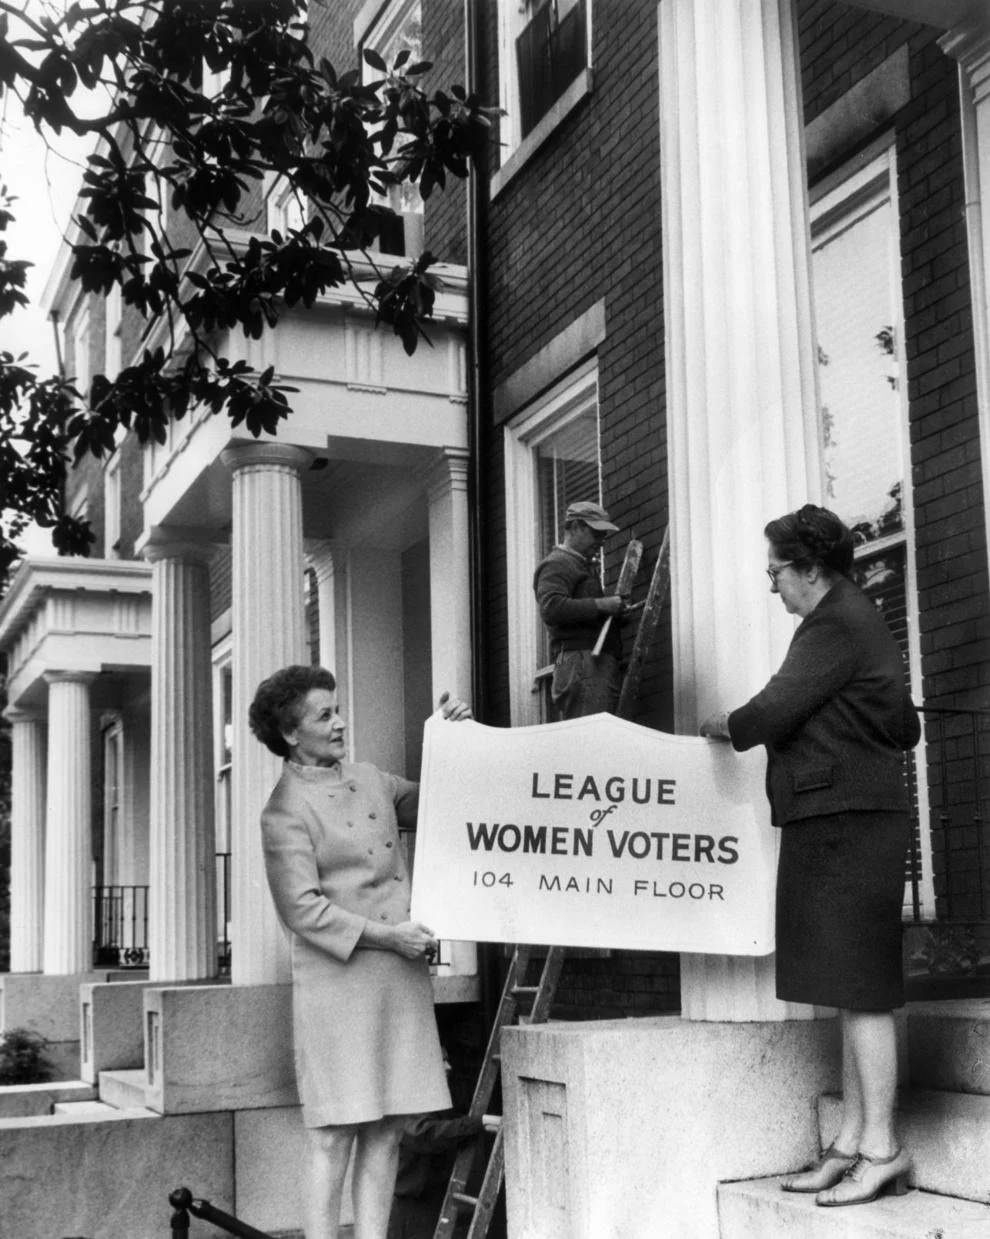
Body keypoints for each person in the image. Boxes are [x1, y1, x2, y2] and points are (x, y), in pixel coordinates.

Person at [699, 504, 921, 1208]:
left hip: (850, 821)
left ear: (811, 568)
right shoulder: (854, 620)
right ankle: (853, 1141)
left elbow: (772, 709)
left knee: (864, 988)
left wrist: (725, 726)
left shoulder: (833, 622)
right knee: (847, 985)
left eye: (776, 571)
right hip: (840, 816)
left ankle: (882, 1147)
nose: (772, 586)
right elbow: (902, 723)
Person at [249, 665, 472, 1239]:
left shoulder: (370, 778)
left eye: (337, 708)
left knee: (390, 1126)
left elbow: (436, 804)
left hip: (397, 980)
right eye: (325, 715)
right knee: (334, 1132)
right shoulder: (284, 810)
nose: (341, 721)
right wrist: (389, 938)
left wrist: (448, 742)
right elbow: (301, 909)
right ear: (292, 733)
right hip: (339, 984)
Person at [533, 499, 628, 718]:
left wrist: (614, 614)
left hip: (580, 660)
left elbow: (580, 614)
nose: (601, 542)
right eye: (597, 534)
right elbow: (552, 608)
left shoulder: (578, 564)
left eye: (603, 536)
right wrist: (602, 605)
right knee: (592, 735)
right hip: (576, 659)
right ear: (575, 527)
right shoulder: (556, 563)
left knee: (594, 732)